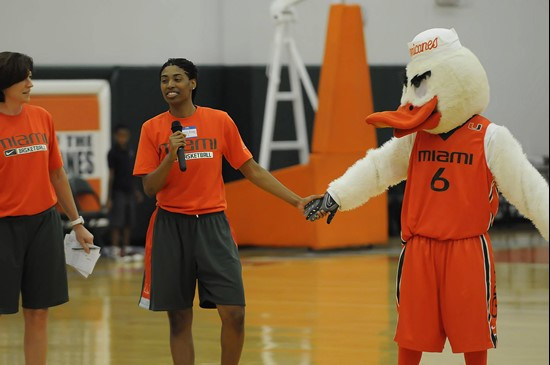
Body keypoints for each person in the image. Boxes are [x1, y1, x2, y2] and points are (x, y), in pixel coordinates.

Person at [305, 28, 549, 365]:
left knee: (473, 336)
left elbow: (529, 189)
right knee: (411, 335)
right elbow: (377, 168)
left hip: (466, 247)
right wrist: (337, 195)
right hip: (419, 248)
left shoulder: (490, 137)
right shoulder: (416, 137)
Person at [133, 58, 319, 365]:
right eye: (164, 80)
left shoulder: (219, 121)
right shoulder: (152, 129)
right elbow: (150, 188)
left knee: (234, 313)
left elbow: (252, 170)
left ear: (192, 83)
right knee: (179, 320)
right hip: (170, 227)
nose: (170, 85)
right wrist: (169, 157)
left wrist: (296, 200)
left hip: (212, 225)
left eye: (177, 78)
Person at [0, 52, 95, 364]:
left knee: (38, 312)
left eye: (31, 76)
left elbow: (57, 173)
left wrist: (77, 222)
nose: (30, 83)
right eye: (24, 77)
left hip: (43, 225)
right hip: (3, 228)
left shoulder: (42, 117)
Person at [107, 123, 143, 259]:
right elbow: (111, 175)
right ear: (115, 136)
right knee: (117, 222)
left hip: (129, 191)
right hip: (118, 192)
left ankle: (126, 248)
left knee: (129, 221)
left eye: (125, 136)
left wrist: (136, 191)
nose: (123, 139)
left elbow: (131, 173)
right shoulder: (112, 153)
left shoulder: (130, 151)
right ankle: (115, 249)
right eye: (120, 136)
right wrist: (109, 198)